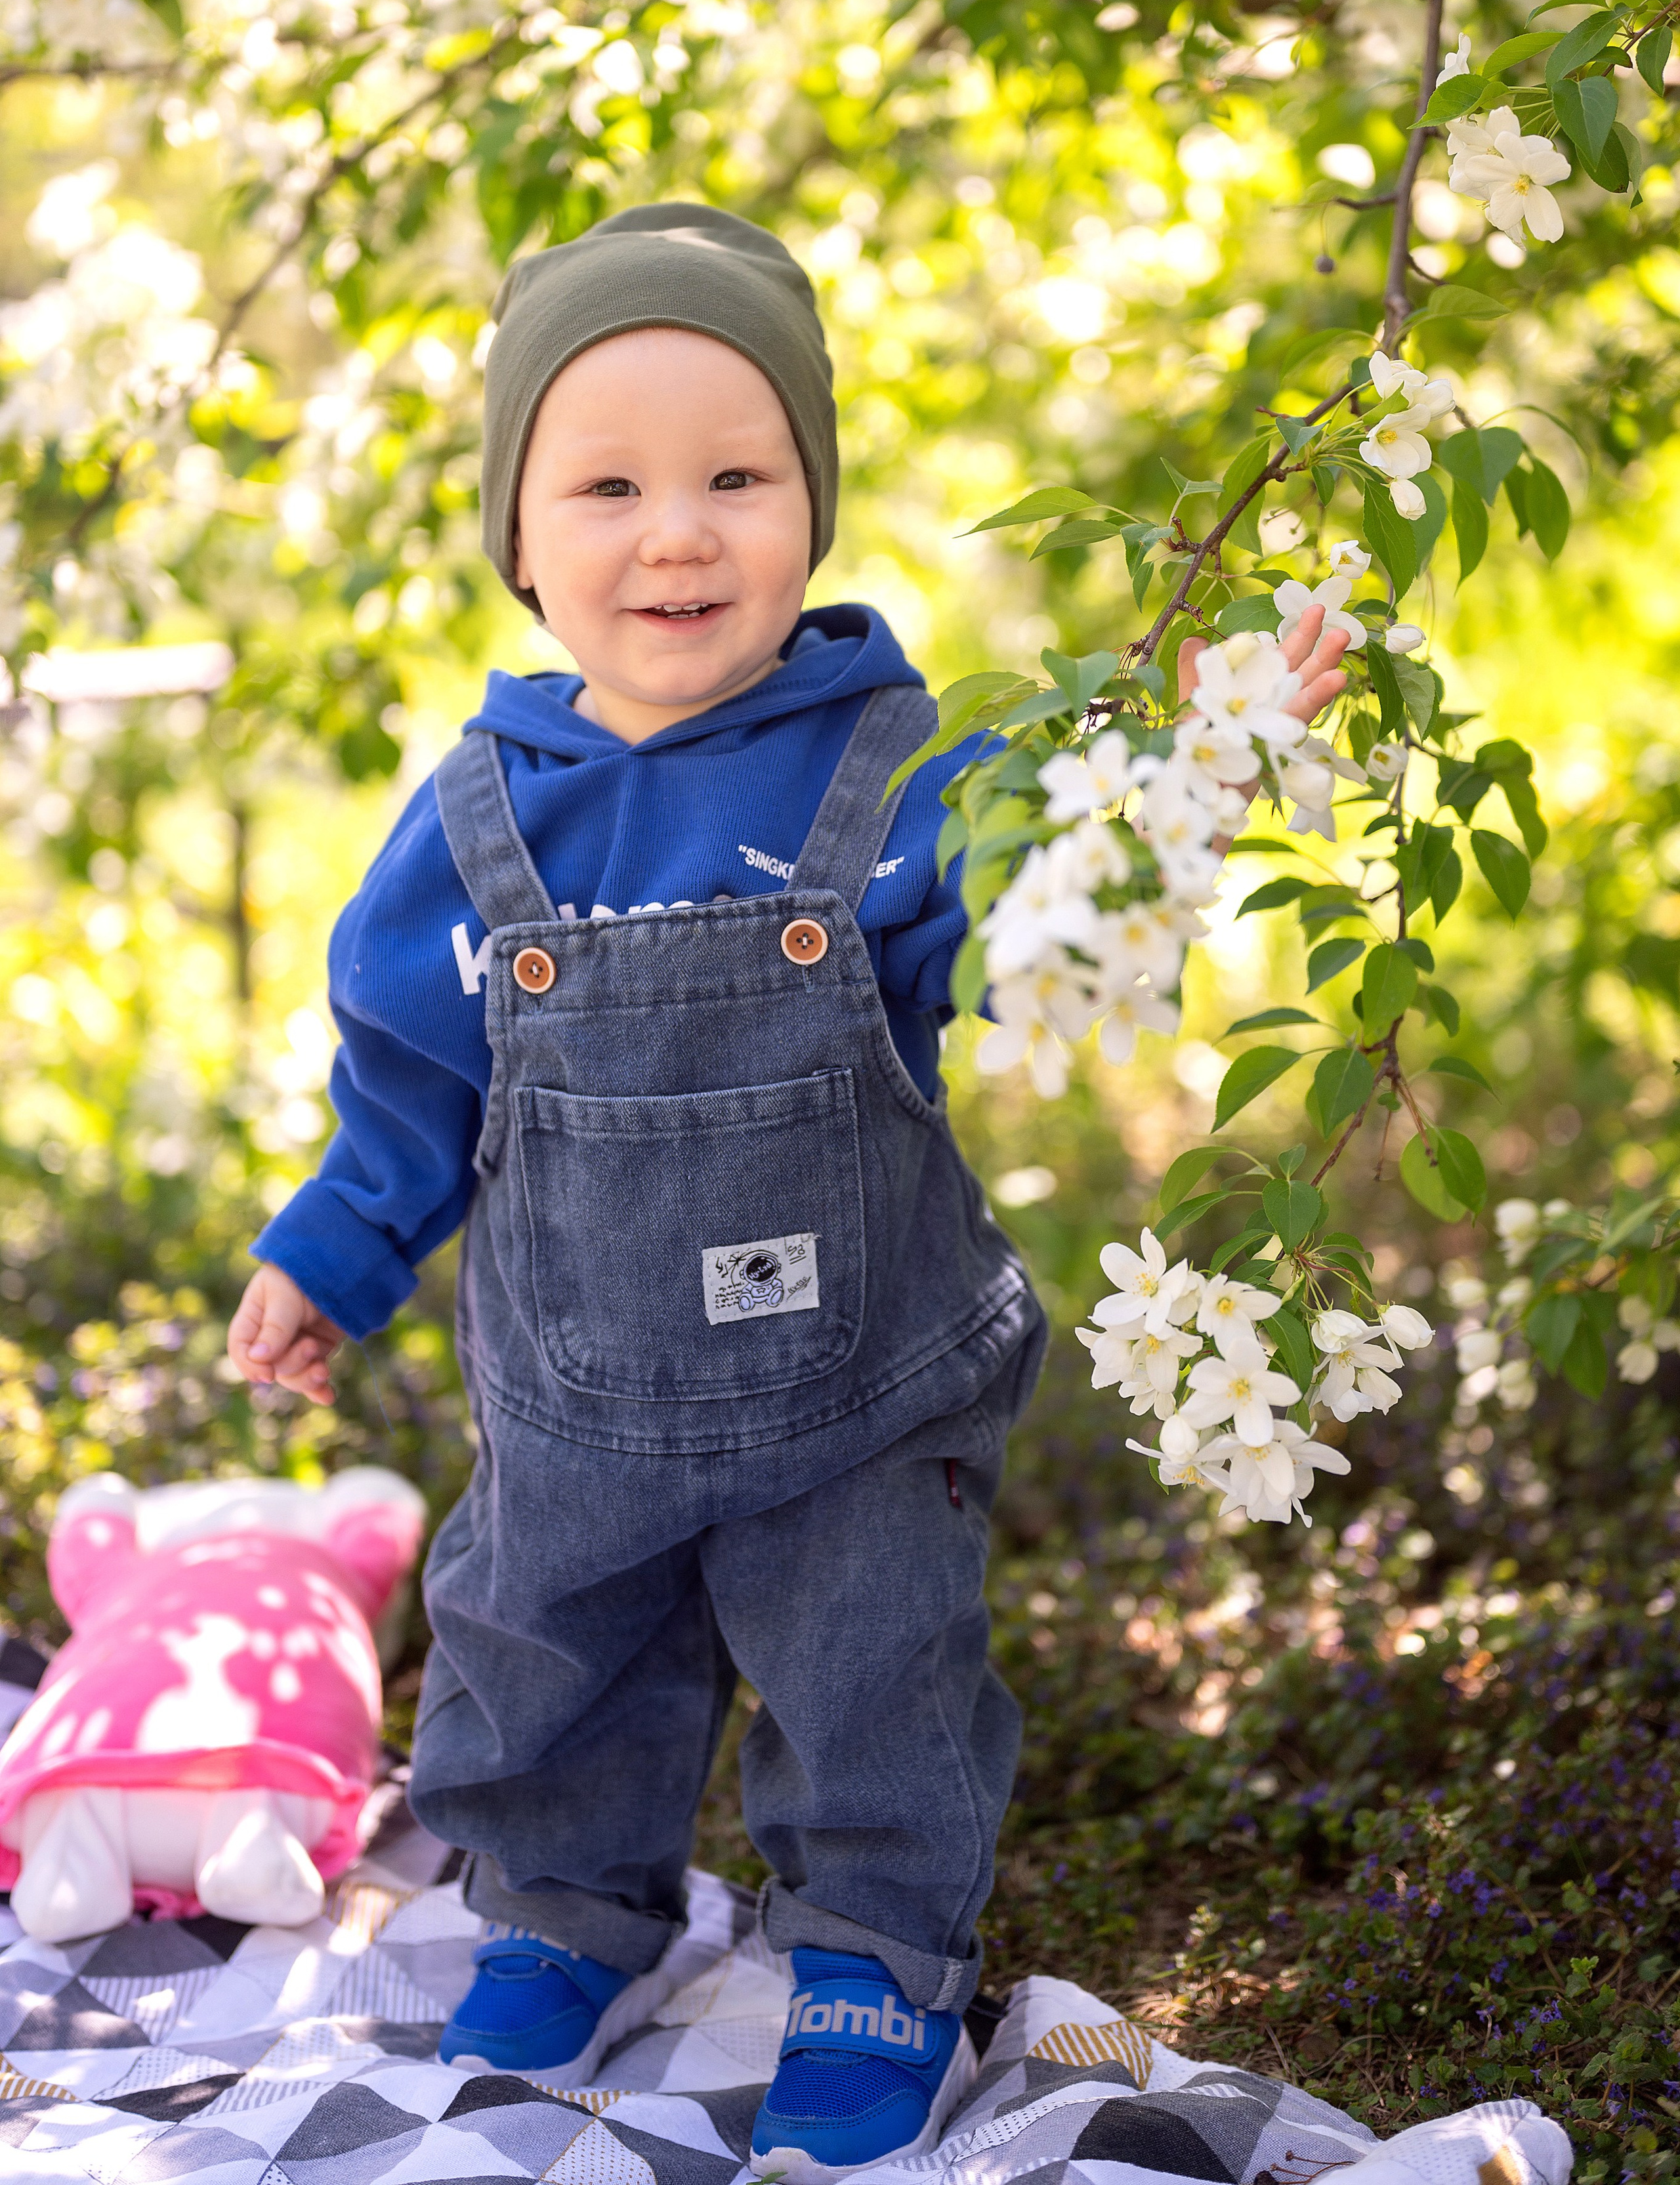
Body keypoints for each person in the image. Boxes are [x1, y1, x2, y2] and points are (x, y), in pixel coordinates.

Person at [227, 204, 1347, 2180]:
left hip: (858, 1383)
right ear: (517, 534)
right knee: (541, 1654)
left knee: (875, 1669)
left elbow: (1057, 894)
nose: (678, 532)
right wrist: (333, 1251)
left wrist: (1213, 754)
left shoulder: (908, 767)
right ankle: (570, 1915)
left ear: (810, 510)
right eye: (610, 485)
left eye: (738, 477)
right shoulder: (477, 814)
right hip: (578, 1397)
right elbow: (407, 1074)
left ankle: (870, 1960)